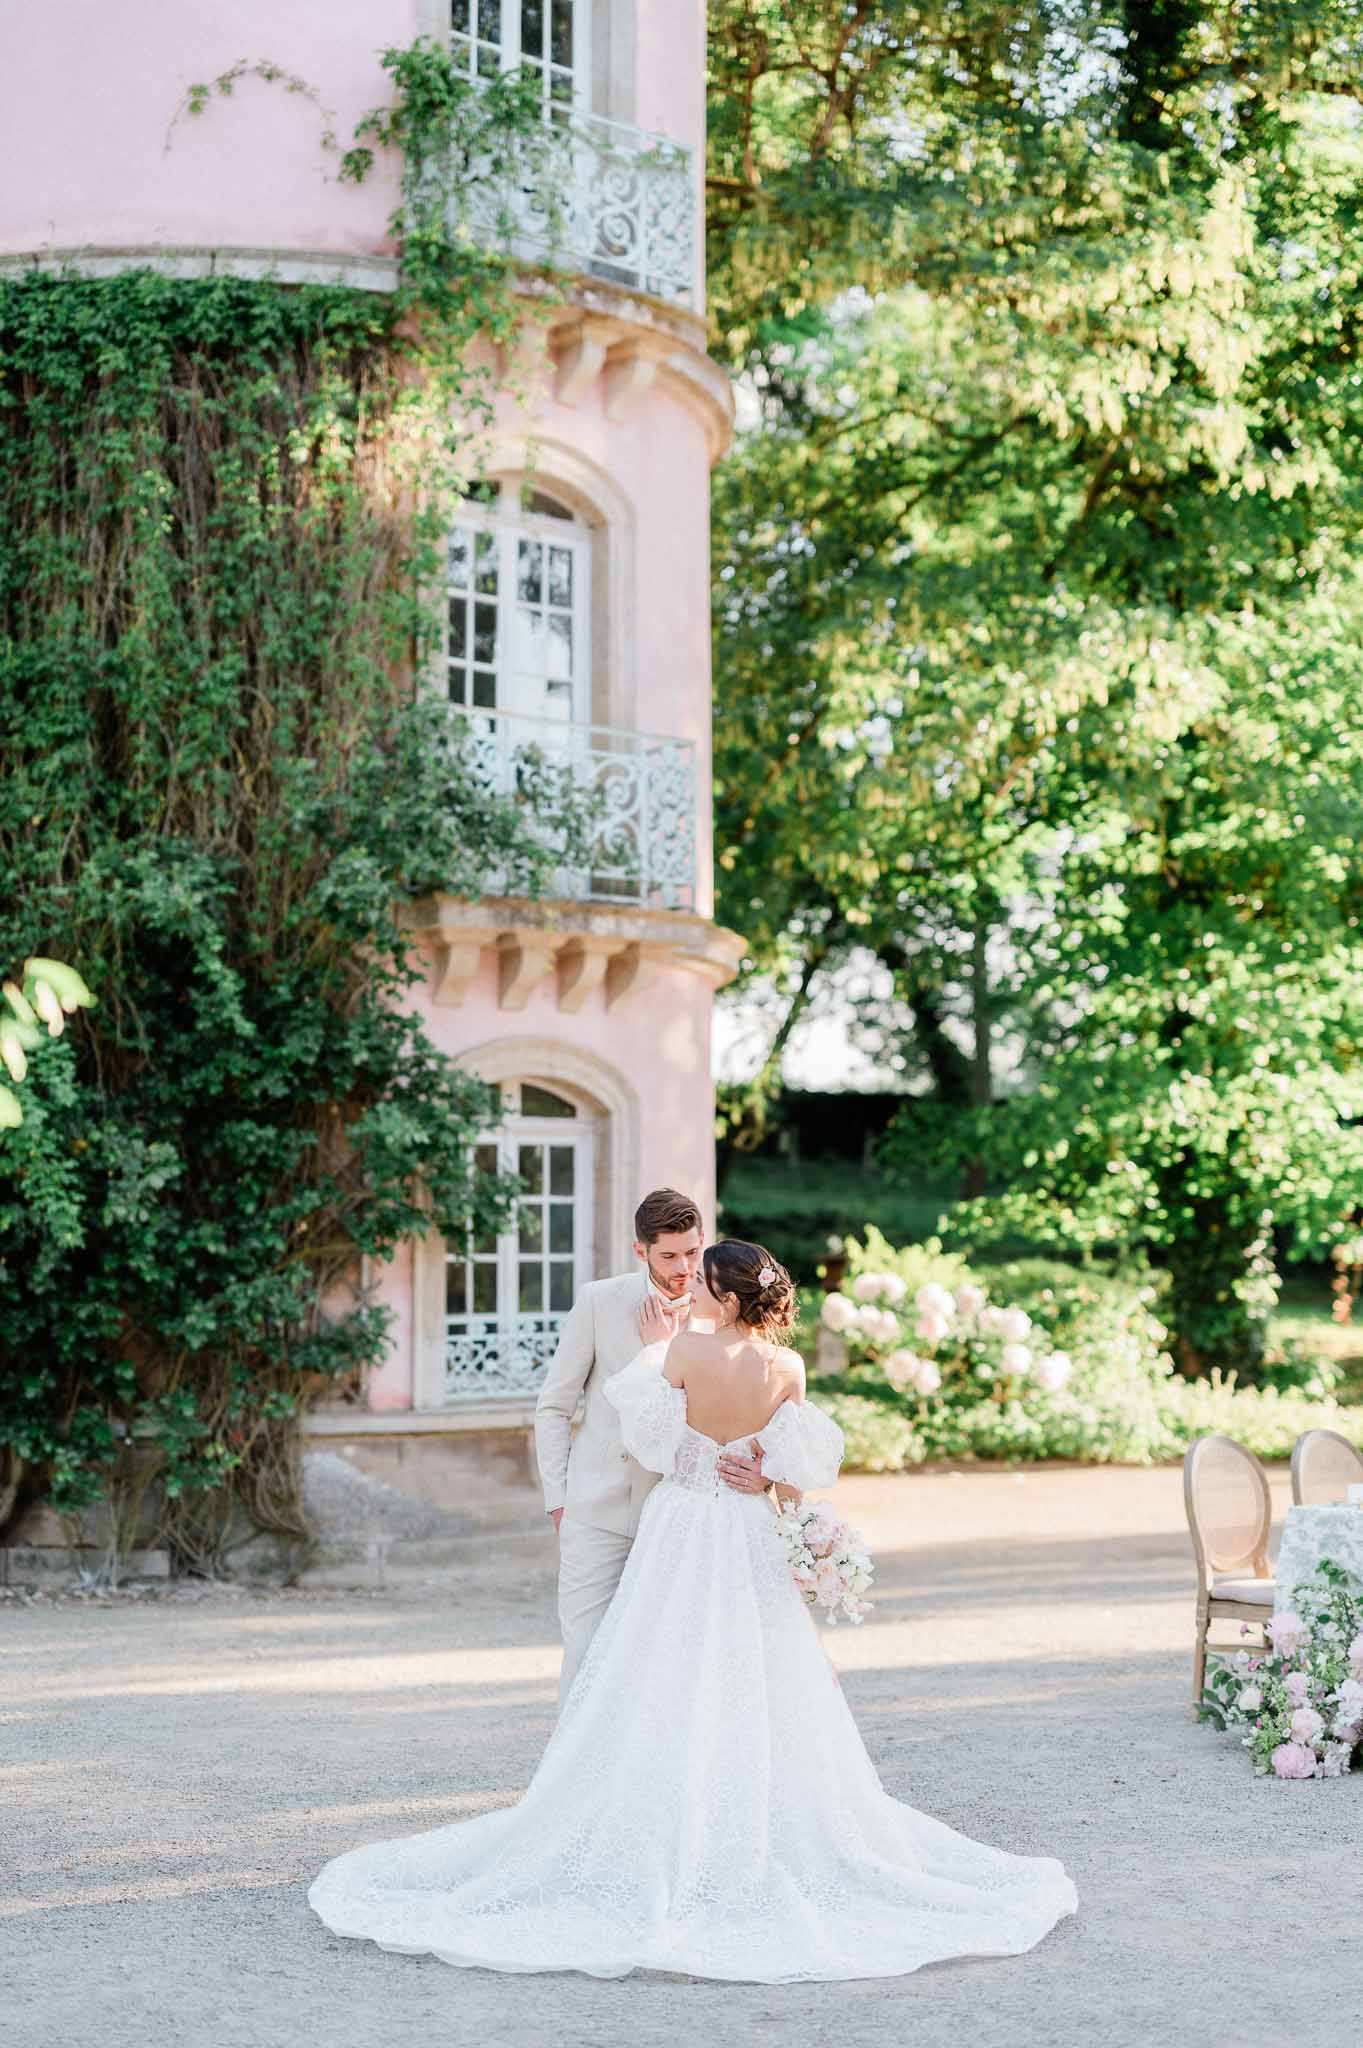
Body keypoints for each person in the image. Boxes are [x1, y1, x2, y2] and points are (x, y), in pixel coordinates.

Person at [309, 1239, 1078, 1982]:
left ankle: (662, 1808)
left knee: (660, 1661)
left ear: (731, 1296)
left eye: (708, 1283)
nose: (696, 1291)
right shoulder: (787, 1366)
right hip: (744, 1529)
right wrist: (777, 1500)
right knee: (753, 1666)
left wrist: (655, 1350)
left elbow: (648, 1443)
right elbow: (789, 1478)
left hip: (681, 1522)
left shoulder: (678, 1353)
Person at [532, 1187, 769, 1704]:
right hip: (594, 1506)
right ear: (640, 1251)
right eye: (669, 1255)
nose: (685, 1267)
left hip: (679, 1510)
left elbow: (755, 1409)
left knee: (669, 1655)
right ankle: (577, 1778)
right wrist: (559, 1497)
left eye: (692, 1251)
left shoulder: (724, 1312)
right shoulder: (600, 1301)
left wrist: (766, 1474)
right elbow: (554, 1406)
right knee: (586, 1647)